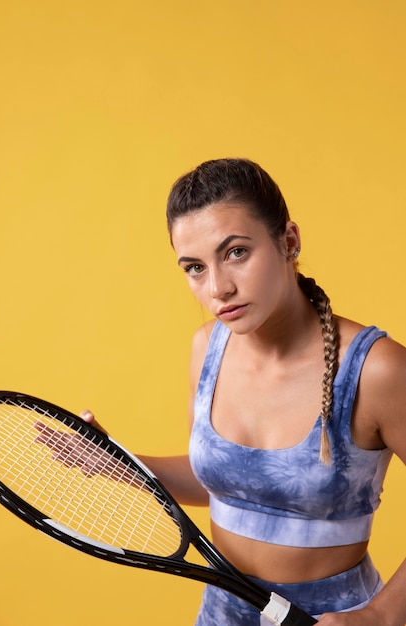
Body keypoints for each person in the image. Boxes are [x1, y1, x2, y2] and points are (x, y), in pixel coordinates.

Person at [82, 158, 406, 624]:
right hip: (220, 614)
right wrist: (119, 463)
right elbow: (226, 483)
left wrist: (380, 616)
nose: (218, 288)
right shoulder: (205, 350)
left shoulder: (375, 370)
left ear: (288, 241)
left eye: (235, 252)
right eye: (194, 267)